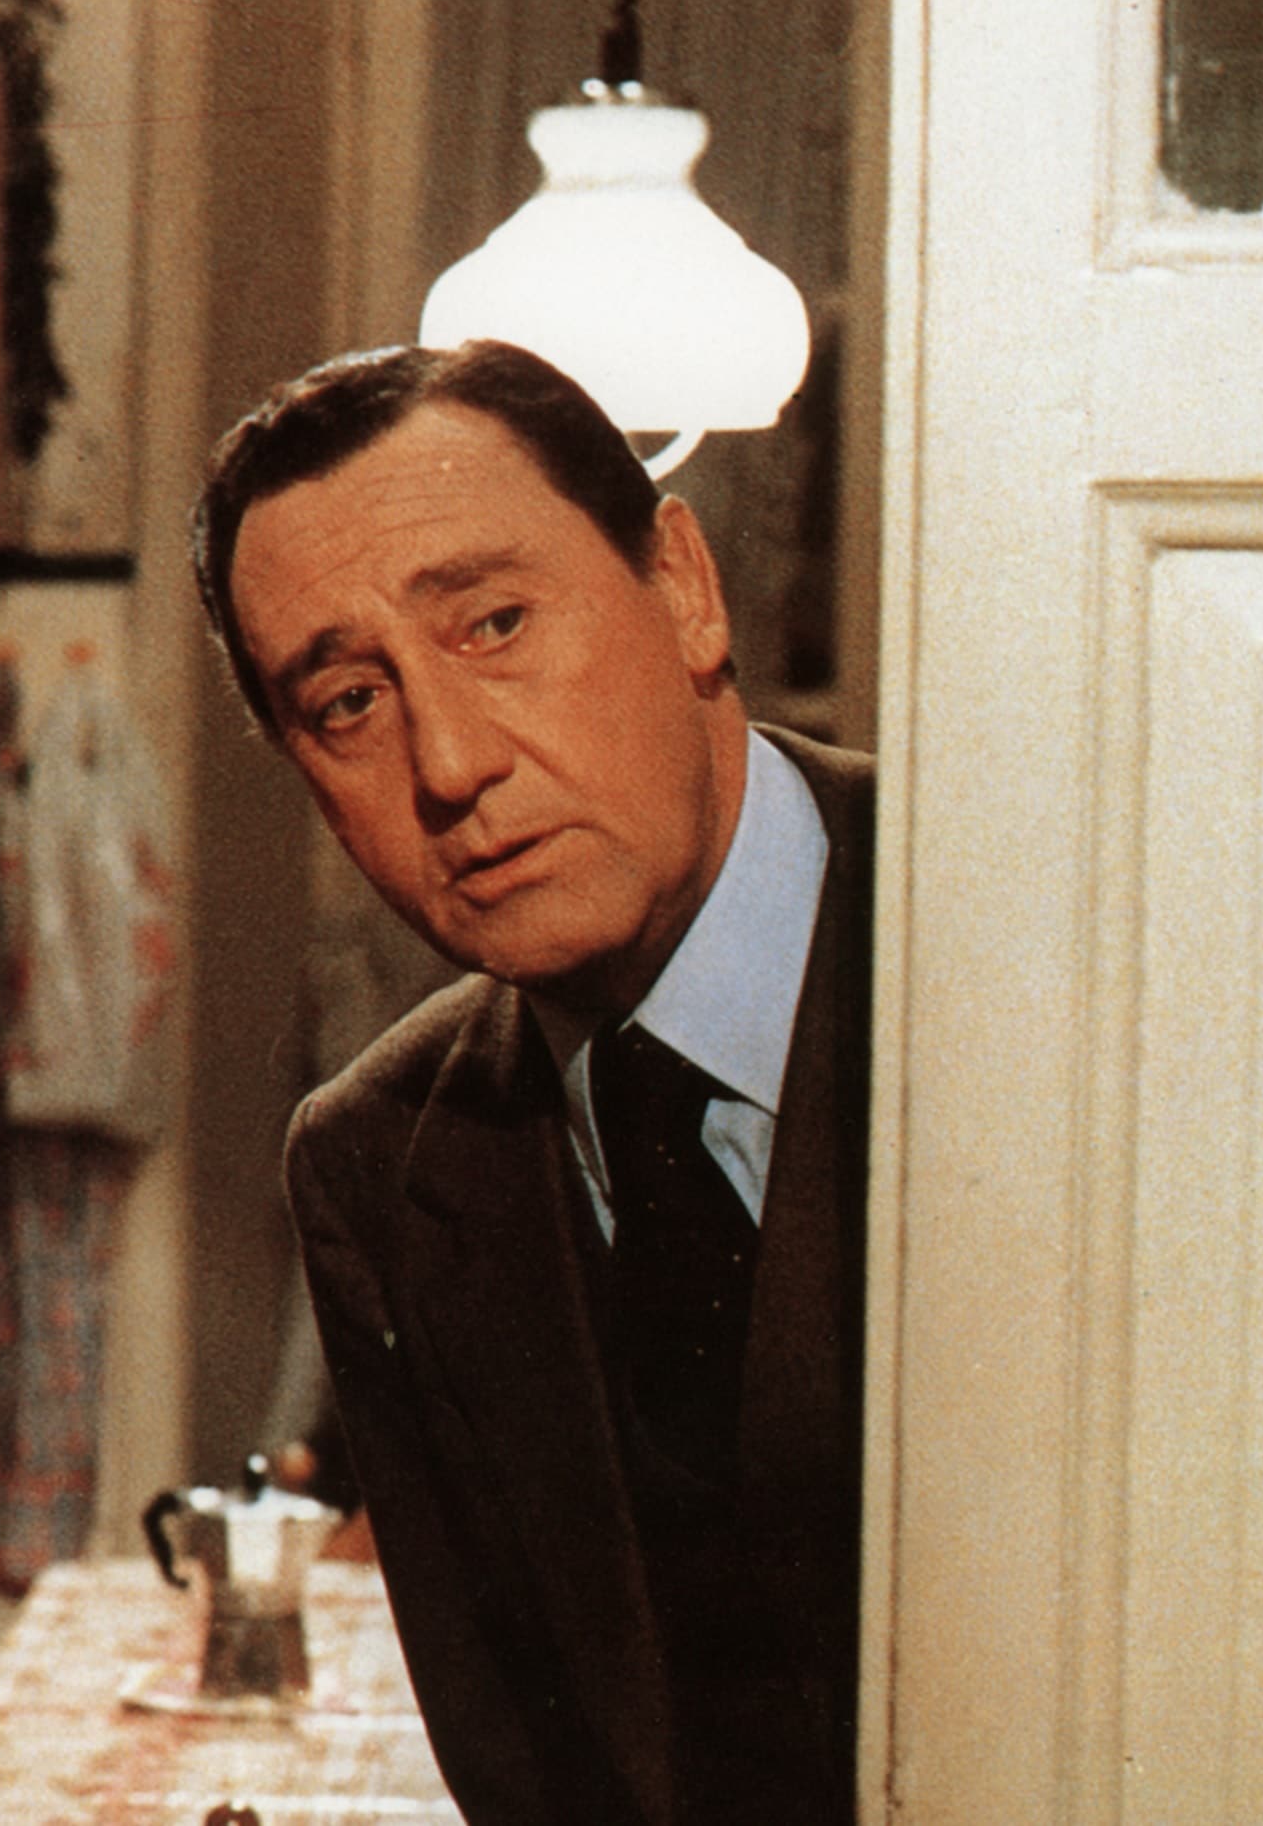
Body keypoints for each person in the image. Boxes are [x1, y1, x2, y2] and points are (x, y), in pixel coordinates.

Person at [192, 341, 872, 1825]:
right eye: (349, 704)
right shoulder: (378, 1161)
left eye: (494, 624)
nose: (448, 763)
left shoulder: (1034, 947)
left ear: (684, 587)